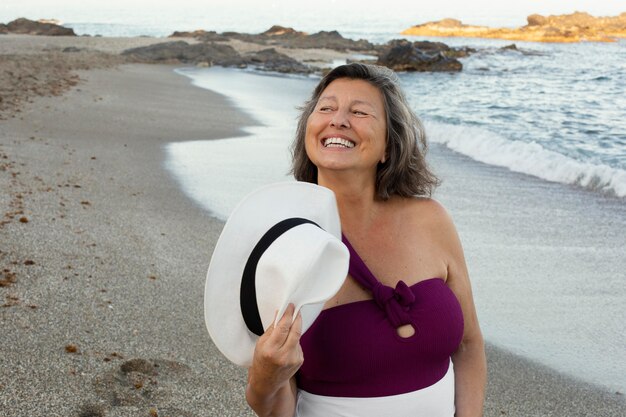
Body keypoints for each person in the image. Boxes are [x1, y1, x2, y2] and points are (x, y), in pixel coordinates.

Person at [245, 63, 486, 416]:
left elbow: (468, 345)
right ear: (308, 131)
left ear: (389, 145)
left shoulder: (432, 220)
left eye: (359, 112)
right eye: (325, 108)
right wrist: (263, 378)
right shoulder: (283, 243)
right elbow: (275, 406)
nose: (338, 120)